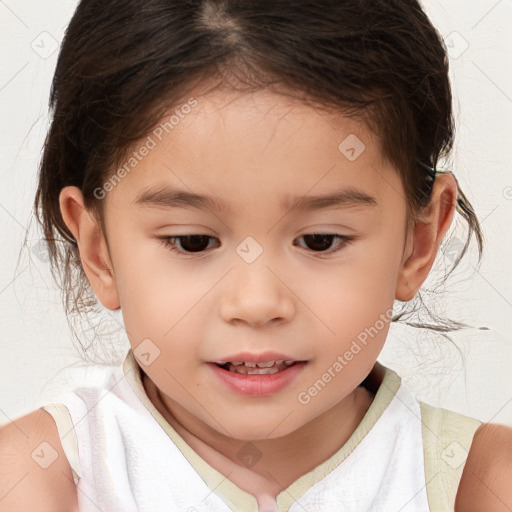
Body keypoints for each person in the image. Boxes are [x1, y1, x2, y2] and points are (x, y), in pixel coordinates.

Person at [1, 1, 511, 511]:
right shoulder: (35, 480)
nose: (257, 302)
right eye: (192, 242)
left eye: (320, 241)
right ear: (100, 252)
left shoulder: (481, 483)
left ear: (417, 243)